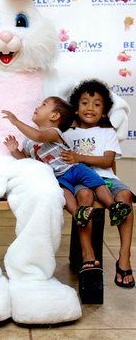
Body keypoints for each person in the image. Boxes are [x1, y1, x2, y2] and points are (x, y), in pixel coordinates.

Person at [2, 96, 130, 231]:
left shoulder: (53, 132)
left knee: (97, 182)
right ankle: (78, 214)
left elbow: (39, 137)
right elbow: (25, 159)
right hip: (57, 176)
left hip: (73, 168)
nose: (38, 106)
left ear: (55, 116)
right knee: (64, 193)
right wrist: (14, 150)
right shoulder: (28, 141)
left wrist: (16, 122)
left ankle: (113, 206)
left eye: (44, 104)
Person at [60, 79, 134, 287]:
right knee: (84, 196)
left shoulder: (107, 132)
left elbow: (107, 160)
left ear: (104, 112)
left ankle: (124, 257)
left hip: (107, 179)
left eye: (96, 104)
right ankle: (87, 254)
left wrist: (80, 157)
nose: (90, 107)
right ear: (75, 108)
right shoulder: (66, 135)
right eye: (84, 103)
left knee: (125, 197)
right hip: (81, 181)